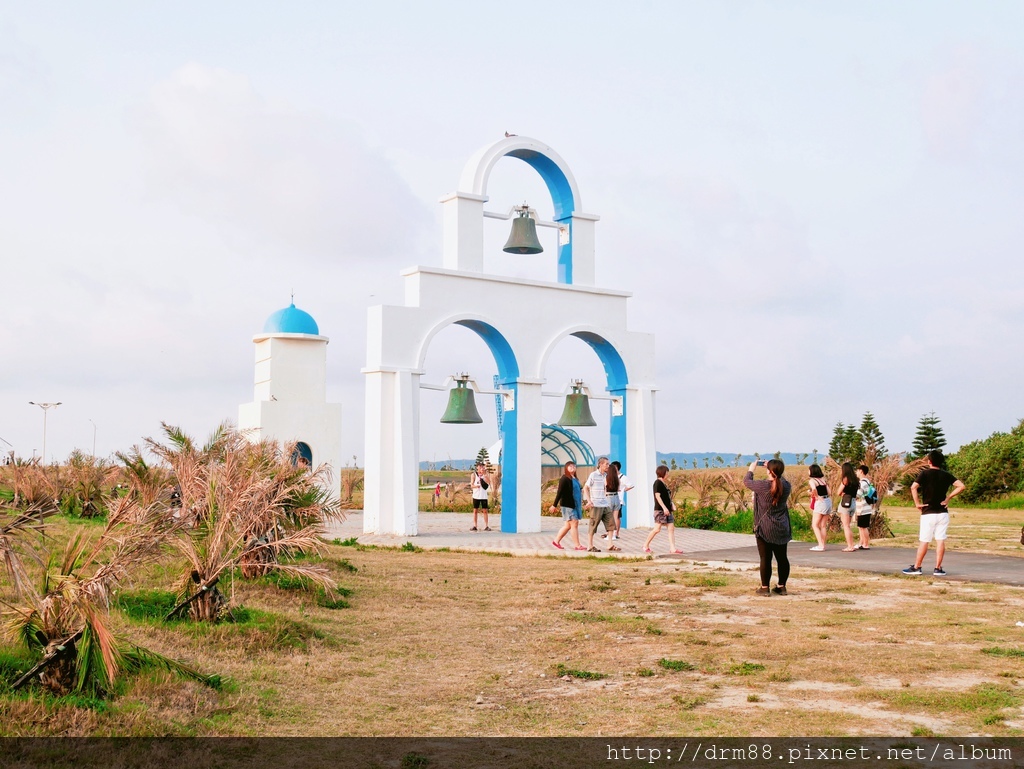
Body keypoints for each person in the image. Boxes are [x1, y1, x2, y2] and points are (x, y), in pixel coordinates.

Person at [904, 450, 965, 576]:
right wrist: (948, 498)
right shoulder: (946, 475)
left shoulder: (924, 474)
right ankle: (937, 568)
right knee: (940, 539)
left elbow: (913, 487)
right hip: (942, 512)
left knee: (924, 540)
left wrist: (917, 503)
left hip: (928, 511)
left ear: (929, 461)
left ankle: (917, 566)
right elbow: (961, 486)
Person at [743, 458, 792, 595]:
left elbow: (747, 482)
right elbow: (782, 480)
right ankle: (782, 586)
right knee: (782, 558)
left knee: (765, 558)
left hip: (764, 528)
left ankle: (765, 588)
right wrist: (773, 469)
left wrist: (751, 469)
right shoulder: (786, 486)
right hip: (782, 527)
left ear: (769, 471)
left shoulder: (763, 485)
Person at [643, 465, 683, 554]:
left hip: (668, 510)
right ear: (663, 473)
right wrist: (664, 508)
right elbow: (658, 496)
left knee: (671, 528)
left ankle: (673, 548)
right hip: (660, 510)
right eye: (667, 472)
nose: (668, 474)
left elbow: (667, 497)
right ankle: (645, 545)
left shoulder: (664, 483)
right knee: (657, 529)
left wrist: (671, 504)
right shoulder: (657, 483)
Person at [551, 462, 586, 551]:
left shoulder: (575, 478)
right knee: (574, 523)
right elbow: (560, 492)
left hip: (575, 504)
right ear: (566, 468)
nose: (572, 467)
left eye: (574, 466)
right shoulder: (564, 478)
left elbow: (580, 490)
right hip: (568, 505)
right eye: (570, 466)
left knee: (568, 525)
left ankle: (556, 541)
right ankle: (577, 545)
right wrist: (554, 505)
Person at [583, 457, 616, 552]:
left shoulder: (606, 476)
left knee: (611, 524)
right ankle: (590, 546)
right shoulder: (593, 475)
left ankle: (610, 544)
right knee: (593, 526)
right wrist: (589, 501)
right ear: (600, 464)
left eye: (608, 464)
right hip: (596, 504)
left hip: (605, 504)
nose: (608, 466)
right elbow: (585, 488)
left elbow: (605, 489)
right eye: (606, 464)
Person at [608, 460, 634, 540]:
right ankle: (609, 532)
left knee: (617, 516)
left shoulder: (623, 477)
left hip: (619, 499)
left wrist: (623, 490)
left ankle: (616, 532)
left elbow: (631, 485)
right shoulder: (610, 476)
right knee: (610, 516)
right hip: (610, 498)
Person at [808, 464, 831, 551]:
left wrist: (816, 496)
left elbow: (814, 489)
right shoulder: (823, 480)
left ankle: (820, 545)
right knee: (823, 525)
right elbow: (829, 492)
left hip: (821, 503)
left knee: (815, 525)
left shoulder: (812, 480)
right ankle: (823, 544)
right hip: (828, 501)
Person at [837, 462, 859, 552]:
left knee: (846, 526)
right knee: (848, 525)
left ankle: (850, 546)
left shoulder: (845, 479)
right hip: (853, 502)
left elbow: (838, 492)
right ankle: (851, 545)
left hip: (846, 503)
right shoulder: (856, 480)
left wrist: (843, 493)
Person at [854, 465, 875, 550]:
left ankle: (866, 544)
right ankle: (861, 543)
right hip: (864, 508)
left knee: (863, 527)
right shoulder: (867, 482)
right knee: (861, 527)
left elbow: (857, 495)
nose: (856, 472)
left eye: (858, 471)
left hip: (863, 508)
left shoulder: (862, 483)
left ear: (861, 471)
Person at [603, 462, 622, 548]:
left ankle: (609, 535)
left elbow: (604, 488)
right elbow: (618, 489)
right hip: (616, 498)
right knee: (615, 517)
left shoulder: (606, 478)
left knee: (608, 518)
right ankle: (614, 534)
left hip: (609, 497)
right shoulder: (617, 479)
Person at [470, 463, 491, 531]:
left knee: (485, 511)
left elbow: (489, 482)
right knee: (475, 510)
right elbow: (471, 485)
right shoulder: (473, 475)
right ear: (477, 468)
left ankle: (486, 526)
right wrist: (476, 486)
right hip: (476, 496)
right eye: (480, 467)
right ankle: (475, 525)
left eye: (482, 467)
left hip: (484, 496)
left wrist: (484, 474)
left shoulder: (485, 475)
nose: (481, 468)